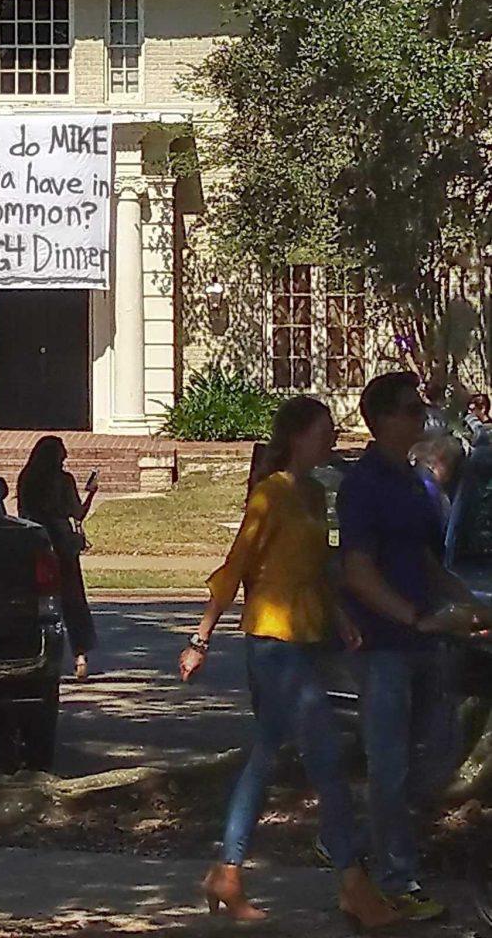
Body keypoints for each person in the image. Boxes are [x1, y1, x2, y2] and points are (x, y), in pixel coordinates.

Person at [179, 397, 396, 929]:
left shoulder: (316, 493)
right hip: (272, 643)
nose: (333, 437)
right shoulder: (270, 495)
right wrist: (200, 639)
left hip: (308, 638)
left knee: (265, 755)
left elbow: (318, 566)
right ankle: (352, 881)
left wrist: (340, 614)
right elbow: (236, 567)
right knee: (325, 756)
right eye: (325, 430)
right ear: (298, 436)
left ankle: (226, 872)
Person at [339, 372, 492, 921]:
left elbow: (427, 561)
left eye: (420, 408)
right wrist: (417, 618)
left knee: (437, 754)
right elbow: (356, 571)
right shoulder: (363, 485)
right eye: (407, 409)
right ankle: (396, 879)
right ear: (378, 420)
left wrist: (466, 602)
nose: (419, 418)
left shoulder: (415, 482)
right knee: (389, 764)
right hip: (383, 645)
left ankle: (350, 845)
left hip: (426, 642)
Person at [17, 436, 98, 680]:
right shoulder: (64, 481)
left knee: (34, 600)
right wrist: (92, 494)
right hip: (62, 543)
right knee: (73, 599)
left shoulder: (27, 479)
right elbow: (78, 513)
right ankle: (80, 655)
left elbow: (23, 511)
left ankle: (31, 654)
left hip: (37, 542)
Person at [411, 434, 464, 554]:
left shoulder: (429, 485)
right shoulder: (429, 489)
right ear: (437, 461)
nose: (453, 471)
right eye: (451, 465)